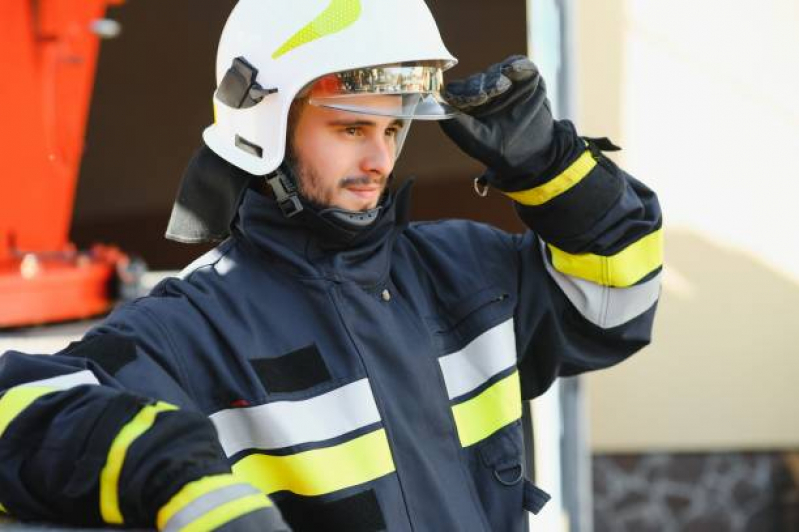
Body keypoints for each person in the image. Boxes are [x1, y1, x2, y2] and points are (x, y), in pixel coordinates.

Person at [0, 0, 663, 530]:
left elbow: (615, 308)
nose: (378, 159)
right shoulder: (194, 330)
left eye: (392, 129)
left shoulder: (465, 270)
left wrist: (553, 167)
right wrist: (169, 471)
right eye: (351, 129)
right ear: (264, 127)